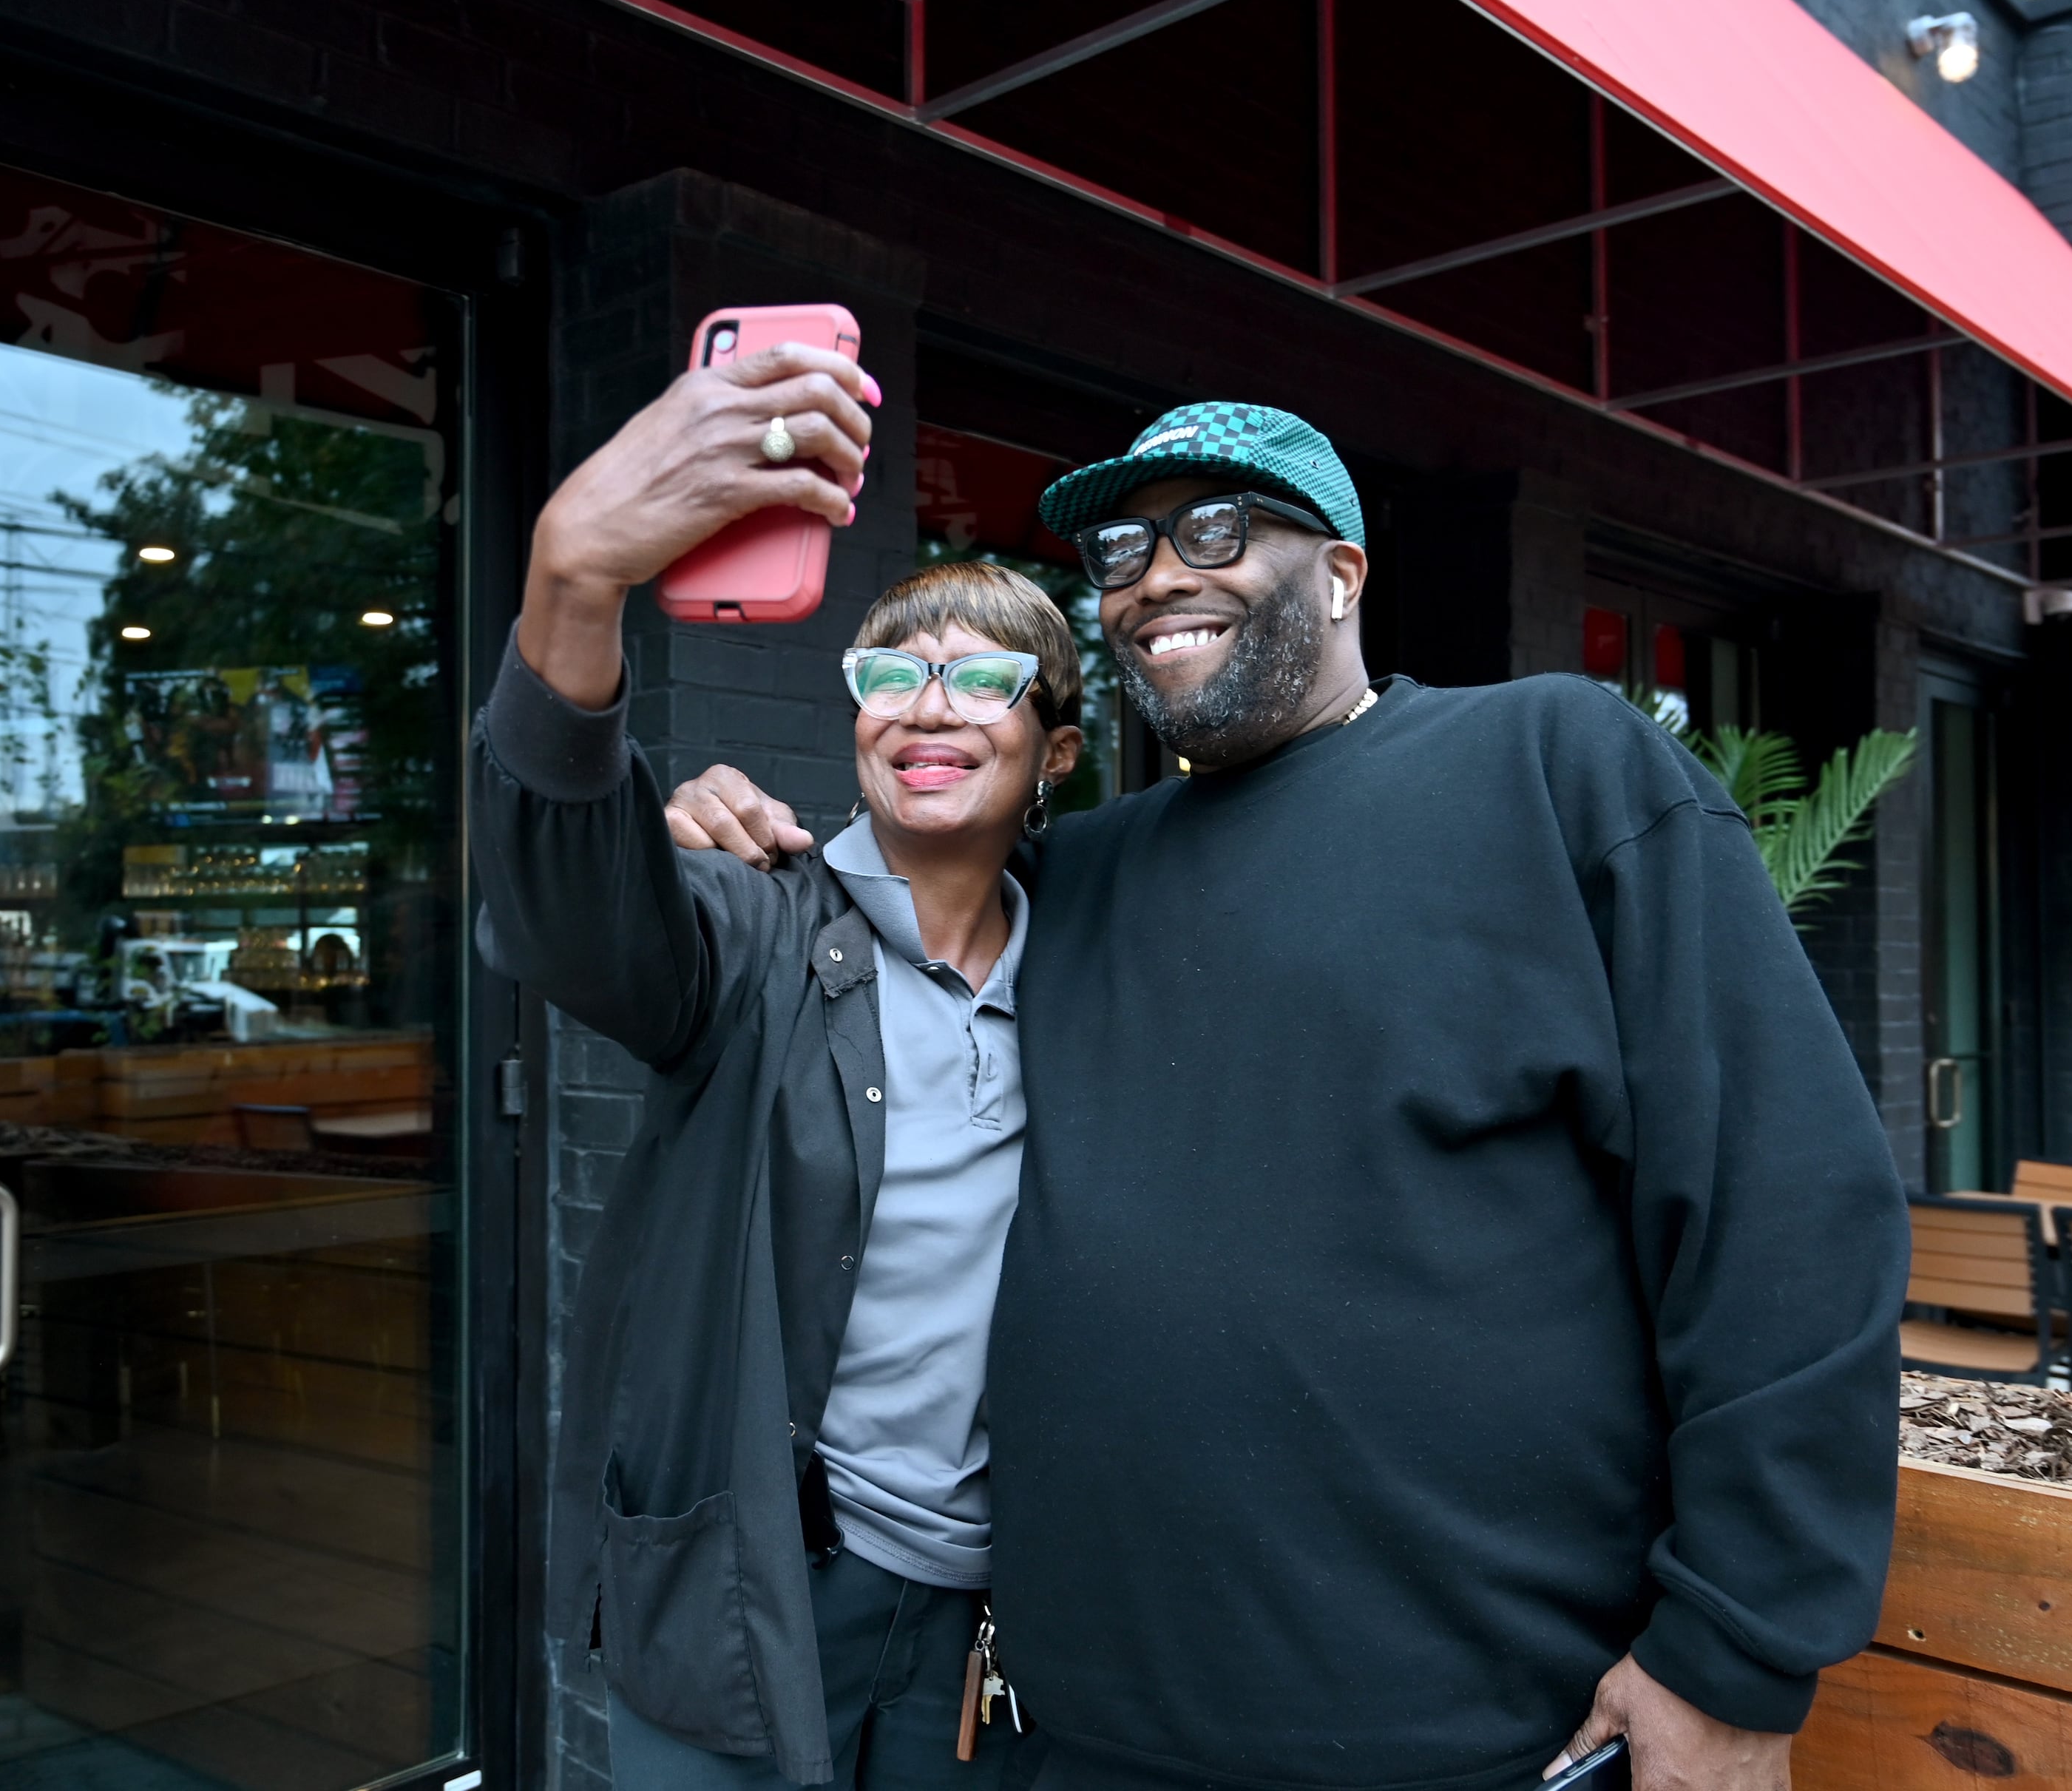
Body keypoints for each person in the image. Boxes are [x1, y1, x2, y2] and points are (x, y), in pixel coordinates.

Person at [668, 401, 1912, 1791]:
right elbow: (907, 892)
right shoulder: (1079, 880)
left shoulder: (1554, 771)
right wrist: (736, 831)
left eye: (1218, 528)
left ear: (1343, 572)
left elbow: (1784, 1207)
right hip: (1073, 1735)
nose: (1155, 576)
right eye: (1126, 548)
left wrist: (1733, 1653)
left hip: (1462, 1735)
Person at [471, 339, 1085, 1790]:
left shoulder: (1101, 965)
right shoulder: (755, 921)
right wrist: (576, 582)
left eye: (984, 677)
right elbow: (572, 910)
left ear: (1054, 750)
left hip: (1000, 1613)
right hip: (754, 1589)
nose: (929, 704)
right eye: (893, 672)